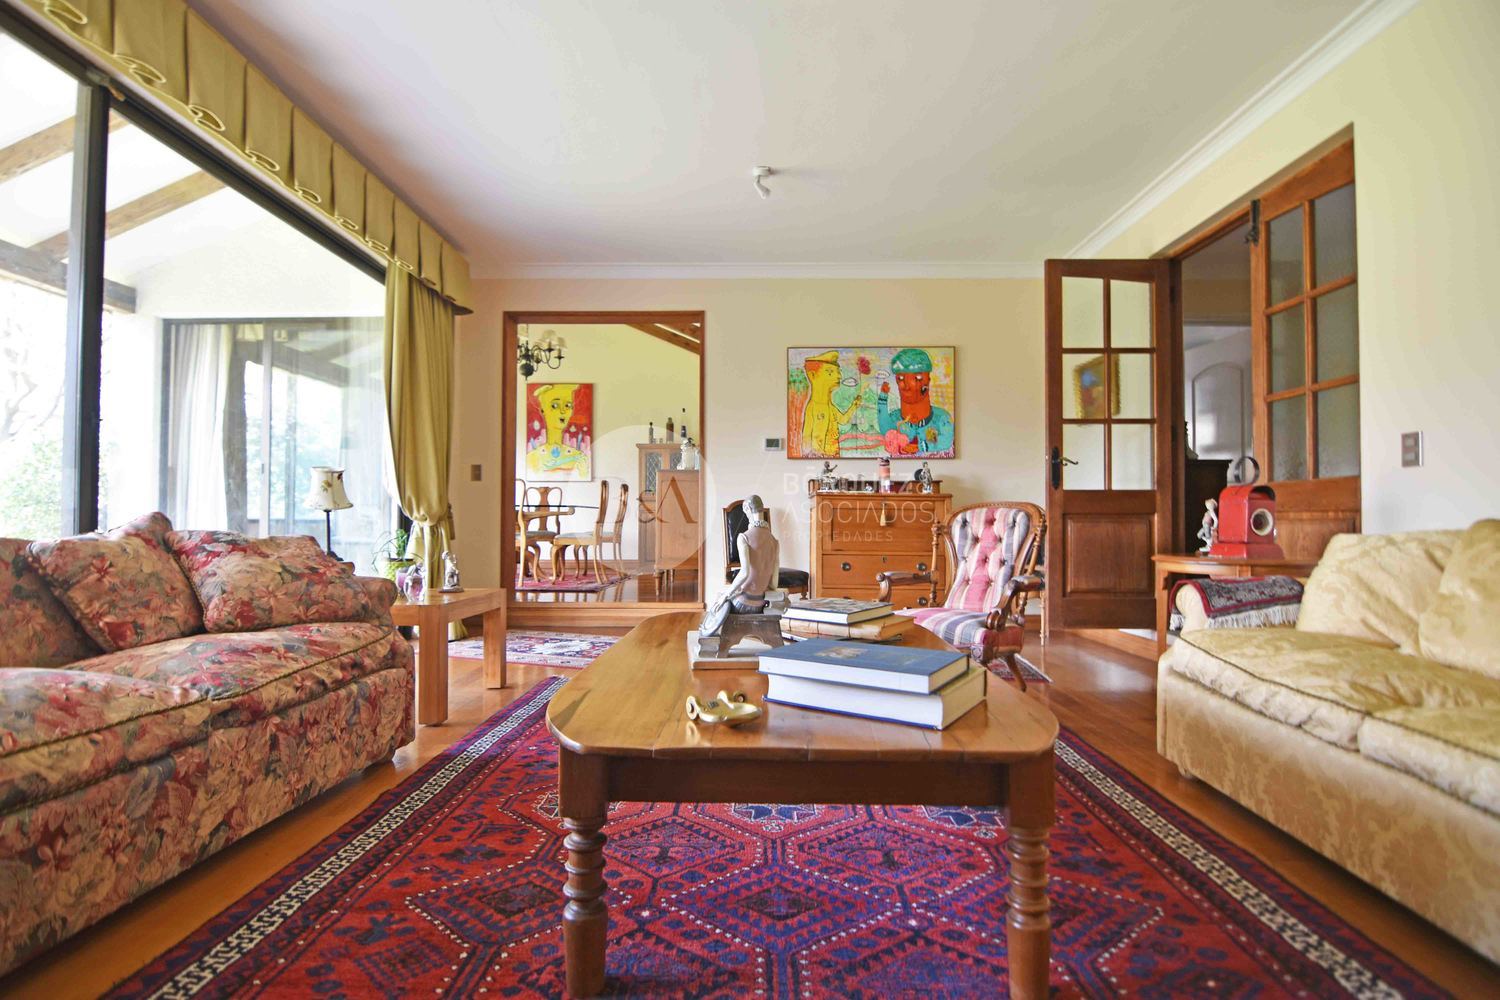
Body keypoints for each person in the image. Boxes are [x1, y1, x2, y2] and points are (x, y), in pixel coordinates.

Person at [701, 495, 780, 636]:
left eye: (746, 512)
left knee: (720, 599)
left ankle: (707, 634)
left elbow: (744, 572)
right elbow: (774, 584)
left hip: (743, 604)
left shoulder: (744, 537)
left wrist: (726, 595)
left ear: (748, 508)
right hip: (761, 603)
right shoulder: (774, 541)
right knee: (724, 596)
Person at [877, 348, 954, 456]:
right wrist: (882, 399)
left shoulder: (942, 418)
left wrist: (921, 446)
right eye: (901, 378)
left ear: (928, 380)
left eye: (918, 378)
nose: (906, 385)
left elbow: (946, 441)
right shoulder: (895, 418)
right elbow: (885, 430)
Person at [800, 351, 858, 456]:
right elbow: (806, 437)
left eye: (838, 372)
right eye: (830, 372)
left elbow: (843, 420)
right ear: (813, 375)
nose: (839, 376)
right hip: (819, 457)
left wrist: (854, 405)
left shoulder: (831, 407)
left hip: (833, 455)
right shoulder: (813, 407)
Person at [525, 383, 588, 476]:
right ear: (542, 410)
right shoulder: (532, 459)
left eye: (568, 405)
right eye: (555, 405)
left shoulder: (579, 458)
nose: (563, 411)